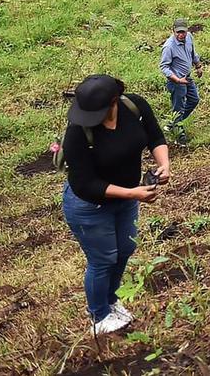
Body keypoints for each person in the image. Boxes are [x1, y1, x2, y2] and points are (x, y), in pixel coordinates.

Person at [61, 75, 170, 335]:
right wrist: (132, 193)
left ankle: (111, 300)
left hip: (128, 197)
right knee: (103, 259)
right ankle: (99, 316)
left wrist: (164, 164)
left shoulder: (134, 107)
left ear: (113, 103)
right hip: (90, 205)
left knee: (125, 249)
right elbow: (85, 184)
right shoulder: (77, 132)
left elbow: (155, 136)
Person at [158, 21, 201, 143]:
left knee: (194, 100)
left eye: (183, 32)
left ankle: (173, 124)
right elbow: (164, 67)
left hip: (186, 77)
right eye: (179, 32)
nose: (181, 35)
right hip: (176, 81)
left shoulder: (189, 38)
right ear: (173, 31)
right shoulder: (169, 47)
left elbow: (192, 52)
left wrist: (198, 65)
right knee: (178, 107)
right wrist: (177, 79)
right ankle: (179, 136)